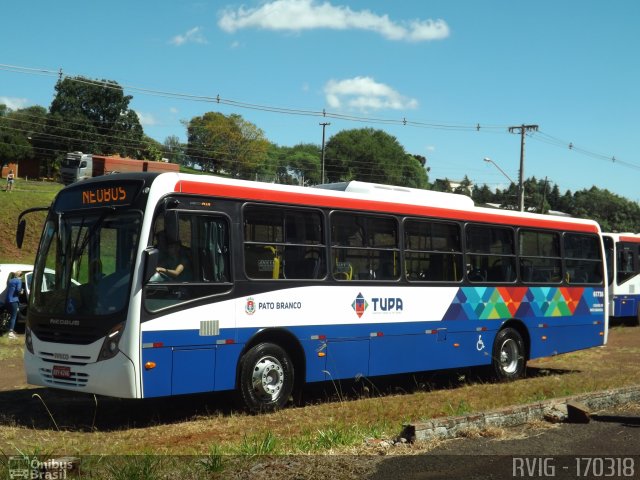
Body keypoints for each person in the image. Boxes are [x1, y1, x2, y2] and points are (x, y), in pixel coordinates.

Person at [4, 271, 22, 339]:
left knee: (10, 316)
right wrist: (22, 291)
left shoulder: (10, 280)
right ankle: (10, 333)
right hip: (14, 301)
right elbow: (18, 290)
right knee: (14, 317)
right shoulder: (18, 281)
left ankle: (8, 329)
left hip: (7, 300)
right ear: (20, 275)